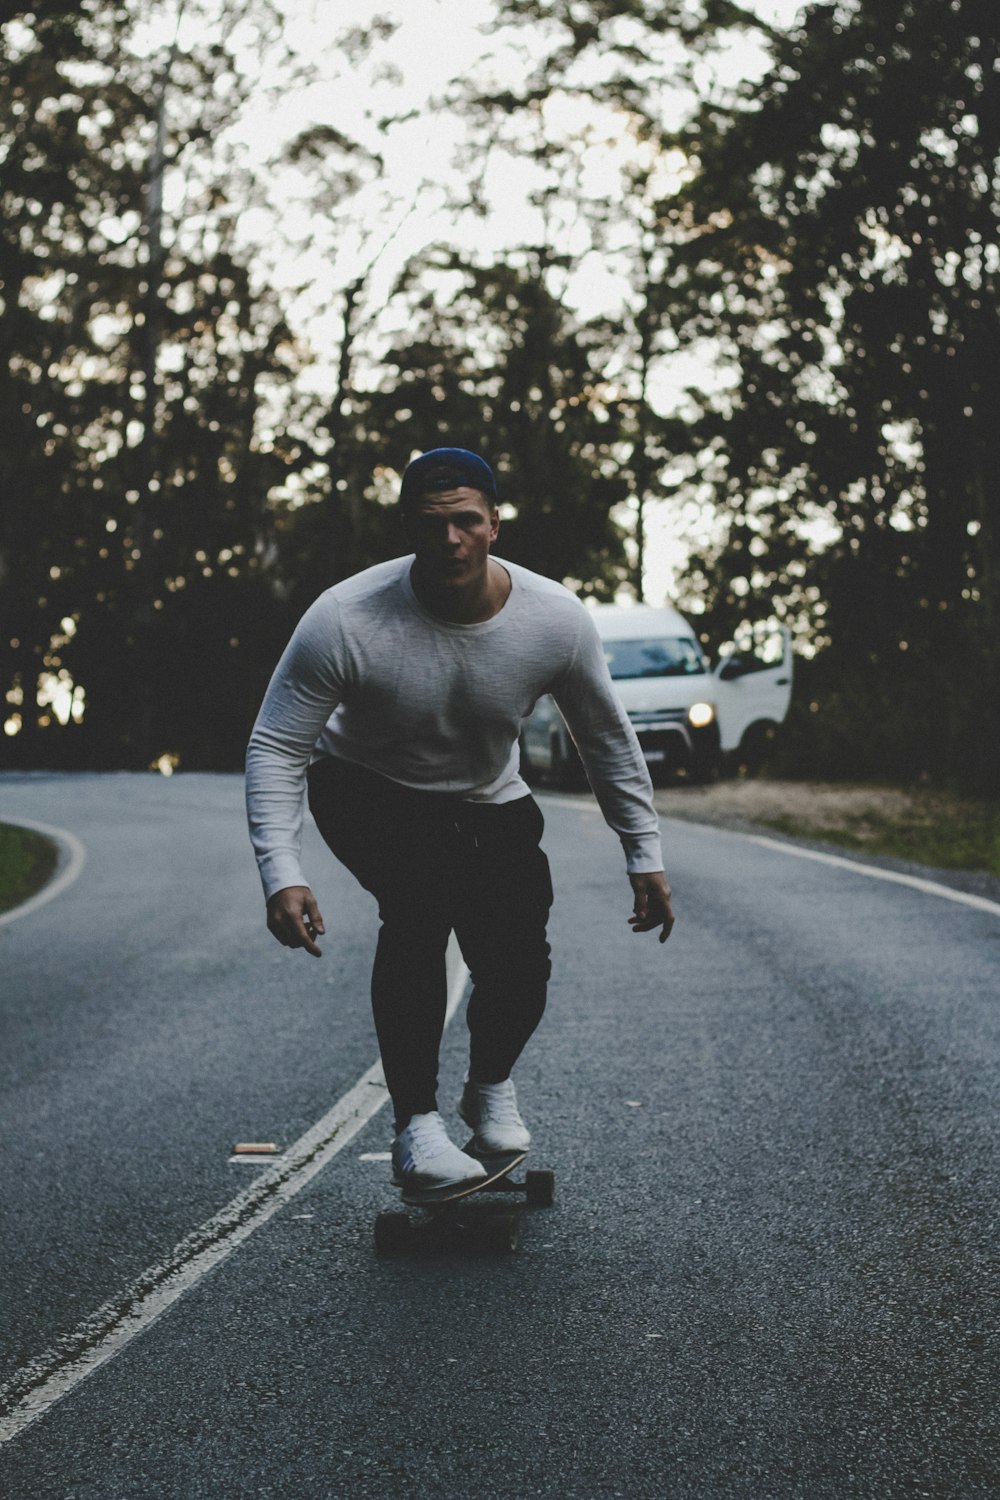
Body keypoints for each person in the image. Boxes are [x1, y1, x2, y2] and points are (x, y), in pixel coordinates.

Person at [245, 448, 675, 1199]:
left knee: (520, 963)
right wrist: (283, 872)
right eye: (433, 524)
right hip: (364, 786)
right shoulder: (346, 617)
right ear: (409, 527)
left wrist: (644, 853)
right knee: (420, 910)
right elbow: (278, 743)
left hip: (486, 795)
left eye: (466, 522)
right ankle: (416, 1127)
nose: (450, 540)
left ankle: (488, 1087)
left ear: (494, 526)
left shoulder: (554, 620)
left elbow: (605, 739)